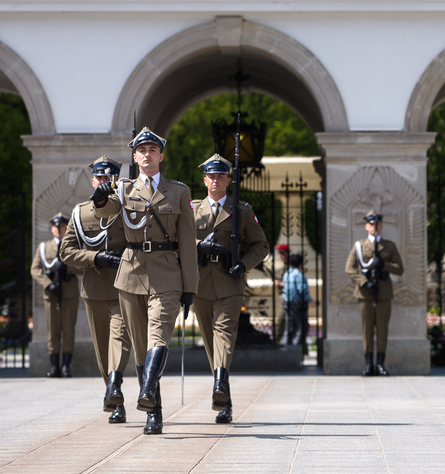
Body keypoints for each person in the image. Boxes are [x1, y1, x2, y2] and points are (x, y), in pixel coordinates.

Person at [91, 127, 198, 436]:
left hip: (166, 273)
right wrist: (100, 199)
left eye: (153, 149)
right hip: (131, 274)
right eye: (142, 150)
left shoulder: (178, 192)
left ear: (161, 156)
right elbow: (108, 211)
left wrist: (190, 287)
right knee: (140, 349)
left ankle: (147, 393)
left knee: (158, 336)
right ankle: (155, 411)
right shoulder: (124, 189)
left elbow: (189, 244)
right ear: (135, 157)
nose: (148, 154)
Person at [192, 153, 269, 424]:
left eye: (221, 176)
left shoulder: (242, 210)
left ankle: (219, 384)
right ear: (205, 180)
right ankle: (224, 395)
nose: (216, 180)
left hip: (229, 281)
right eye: (211, 176)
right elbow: (178, 243)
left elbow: (261, 246)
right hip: (201, 283)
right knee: (211, 342)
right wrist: (198, 247)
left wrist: (244, 265)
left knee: (223, 334)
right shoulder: (192, 210)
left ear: (228, 180)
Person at [59, 155, 132, 424]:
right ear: (93, 181)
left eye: (109, 178)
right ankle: (114, 396)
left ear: (116, 179)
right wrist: (95, 258)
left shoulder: (127, 207)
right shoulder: (80, 212)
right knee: (102, 348)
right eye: (100, 178)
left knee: (120, 339)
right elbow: (65, 252)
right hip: (95, 289)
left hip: (125, 286)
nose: (104, 182)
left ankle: (114, 381)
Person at [345, 211, 404, 377]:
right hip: (365, 293)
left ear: (381, 226)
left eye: (377, 224)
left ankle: (380, 364)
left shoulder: (389, 246)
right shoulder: (359, 245)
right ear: (366, 226)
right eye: (371, 224)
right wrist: (364, 282)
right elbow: (349, 268)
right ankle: (368, 364)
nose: (374, 227)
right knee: (367, 329)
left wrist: (384, 265)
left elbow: (400, 269)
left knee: (382, 329)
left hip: (383, 293)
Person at [30, 213, 80, 378]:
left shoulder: (74, 246)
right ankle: (54, 367)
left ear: (67, 227)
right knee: (53, 331)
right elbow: (35, 269)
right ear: (52, 228)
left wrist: (68, 268)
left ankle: (66, 366)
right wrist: (48, 284)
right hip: (52, 294)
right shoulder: (44, 247)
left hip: (69, 294)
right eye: (56, 226)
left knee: (68, 330)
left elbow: (83, 266)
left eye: (63, 226)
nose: (59, 229)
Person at [283, 253, 311, 348]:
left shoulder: (287, 273)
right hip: (298, 305)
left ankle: (286, 348)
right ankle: (295, 347)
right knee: (303, 327)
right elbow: (302, 289)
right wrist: (310, 300)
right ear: (300, 264)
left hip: (288, 303)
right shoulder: (298, 274)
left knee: (289, 328)